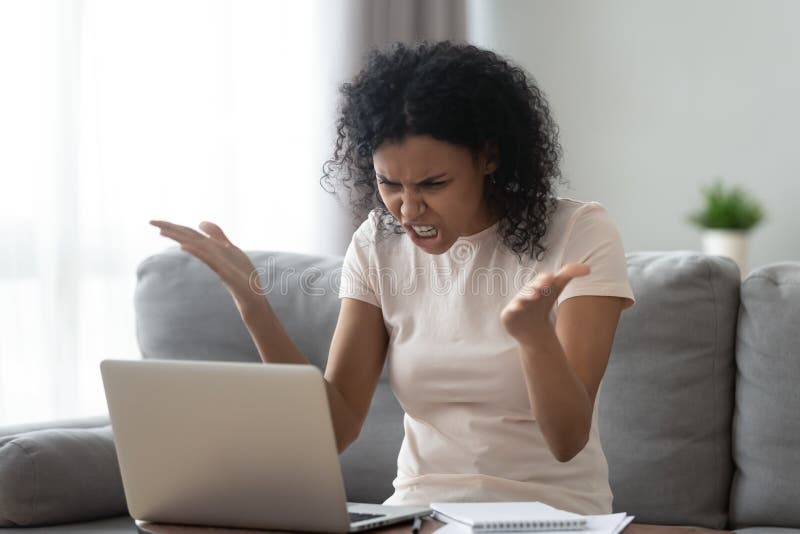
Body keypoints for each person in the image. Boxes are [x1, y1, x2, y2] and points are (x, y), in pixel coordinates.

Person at [150, 40, 635, 515]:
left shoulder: (579, 233)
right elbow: (334, 428)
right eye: (389, 184)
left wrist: (533, 338)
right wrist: (253, 306)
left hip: (551, 515)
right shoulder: (377, 242)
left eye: (433, 184)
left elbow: (568, 440)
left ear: (489, 157)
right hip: (417, 513)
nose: (408, 208)